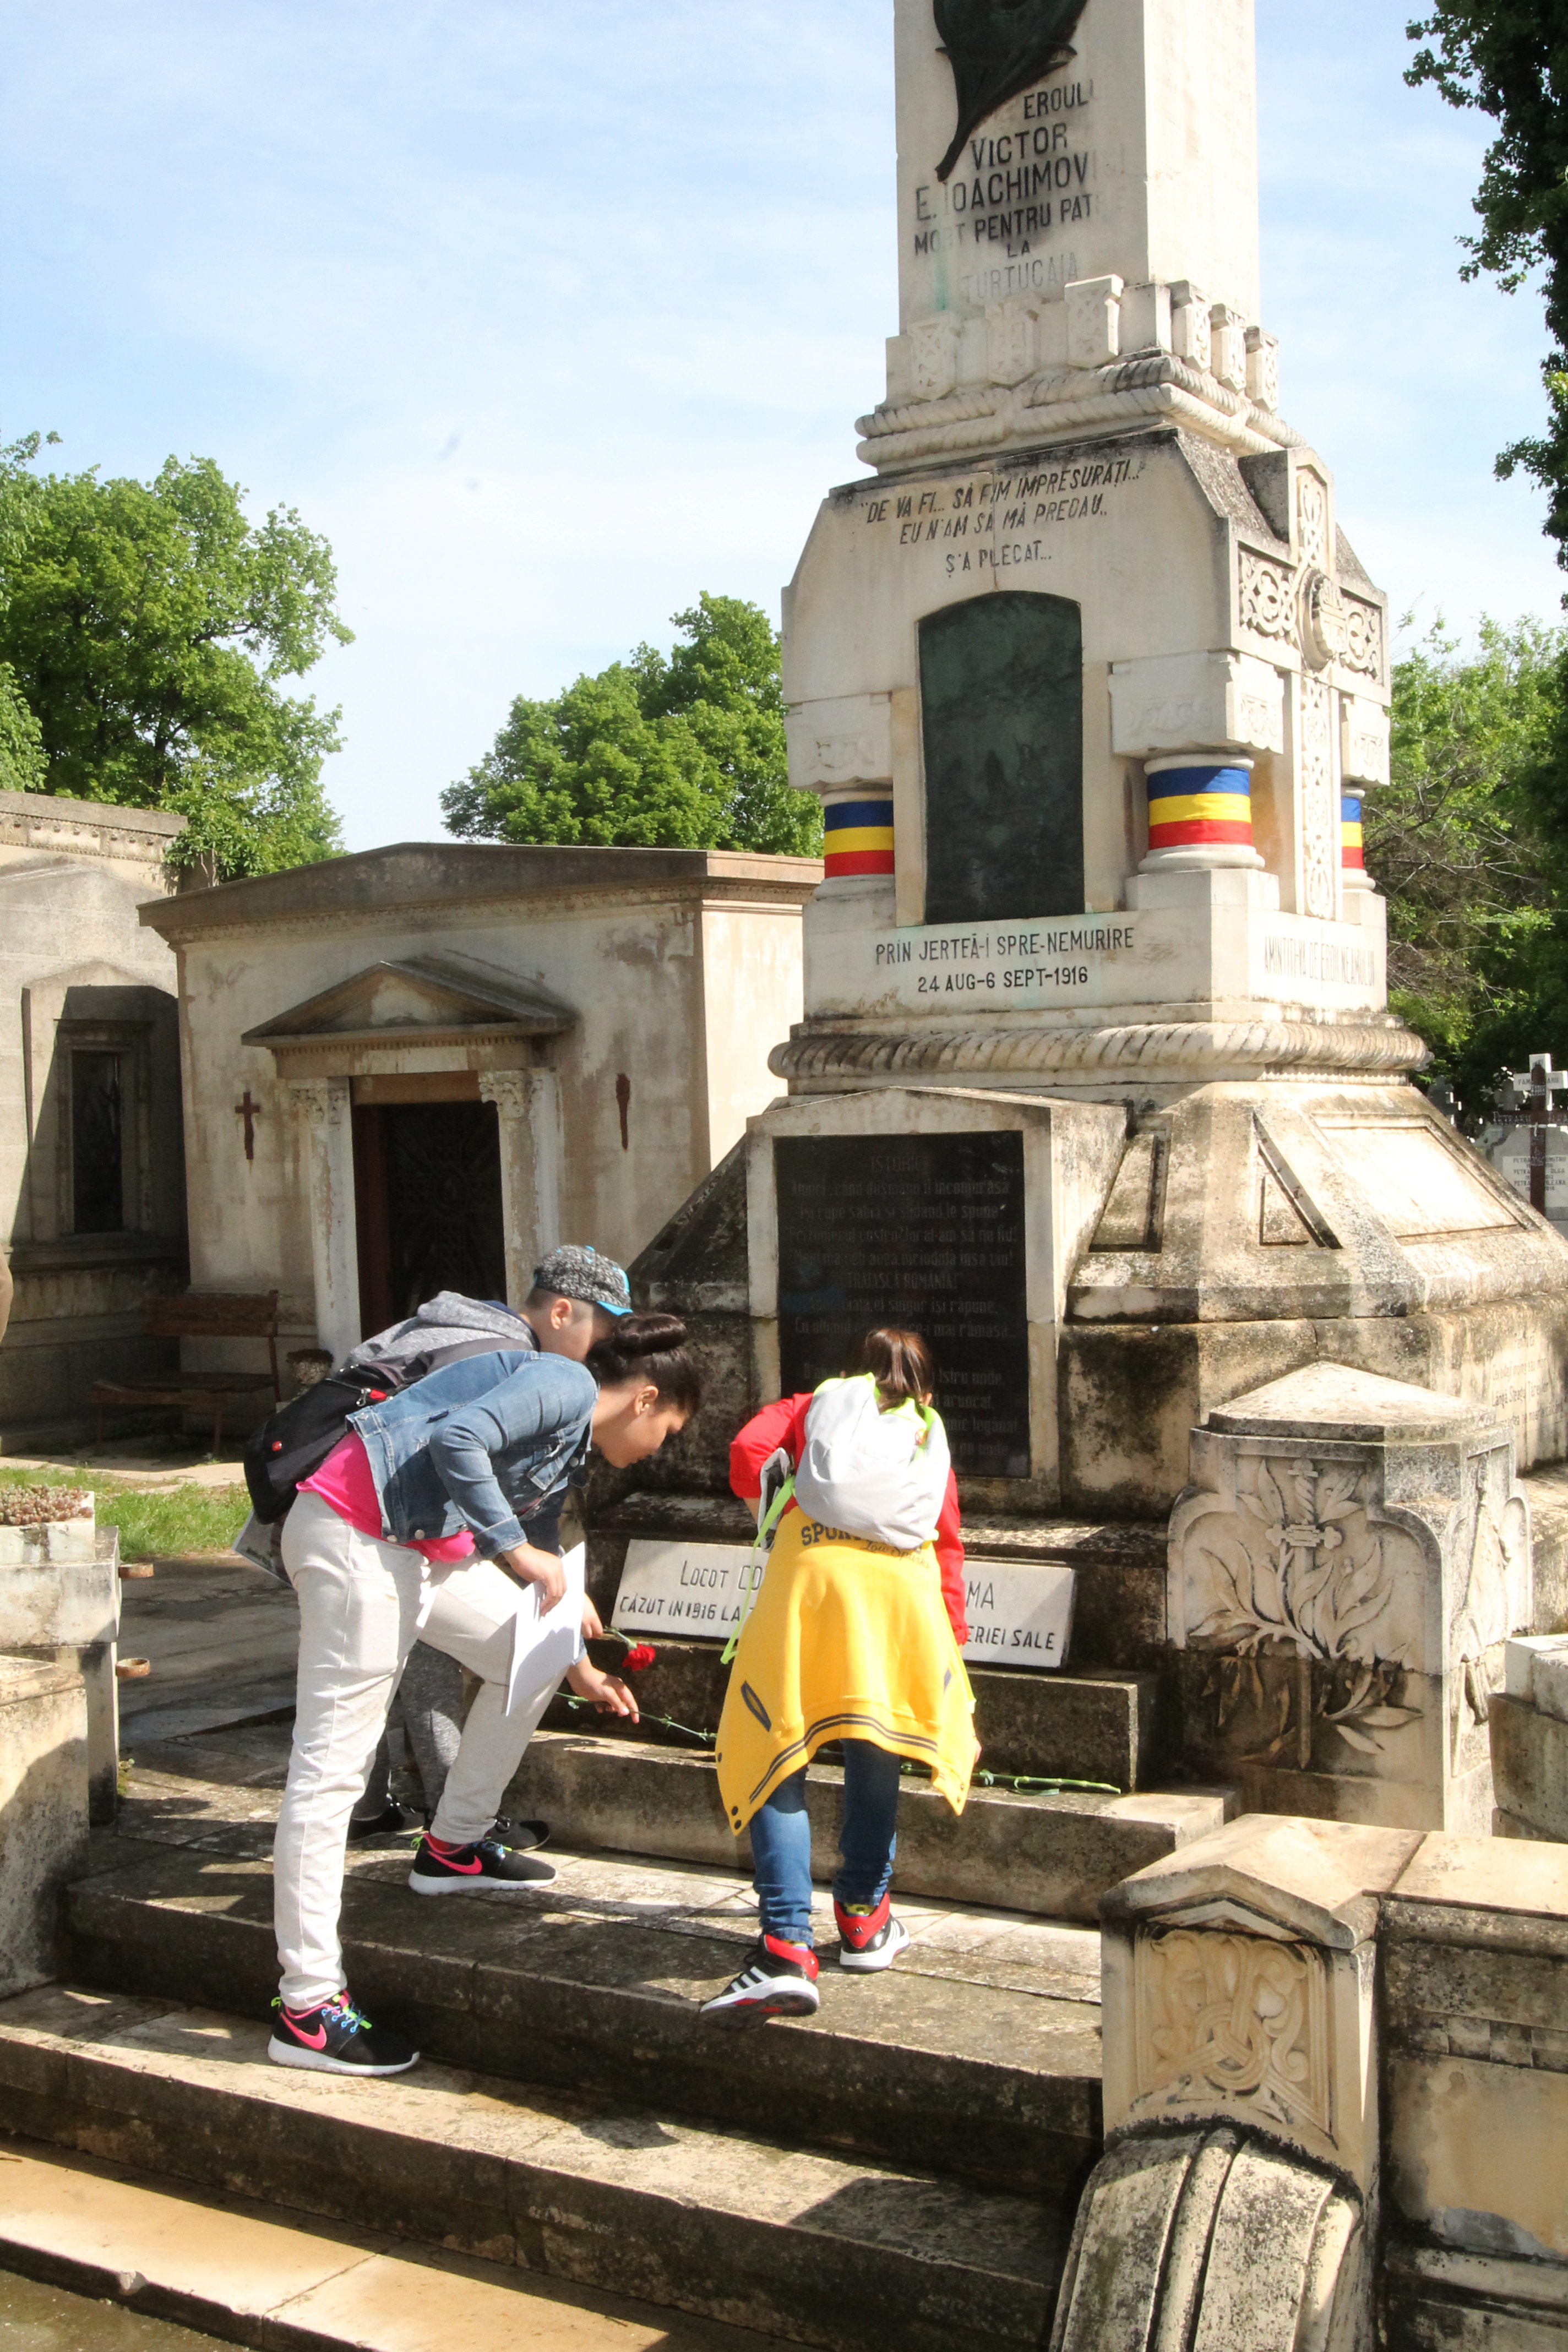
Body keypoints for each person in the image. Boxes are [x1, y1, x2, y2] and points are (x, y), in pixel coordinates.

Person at [267, 1311, 702, 2078]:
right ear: (645, 1398)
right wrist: (518, 1550)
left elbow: (510, 1529)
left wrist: (576, 1664)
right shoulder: (563, 1382)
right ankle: (307, 2007)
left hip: (415, 1546)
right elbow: (458, 1441)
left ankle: (453, 1845)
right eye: (668, 1431)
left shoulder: (570, 1440)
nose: (655, 1451)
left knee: (531, 1655)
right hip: (354, 1533)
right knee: (329, 1771)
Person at [701, 1327, 976, 2026]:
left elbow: (745, 1456)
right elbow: (946, 1541)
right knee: (874, 1747)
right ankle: (863, 1920)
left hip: (808, 1587)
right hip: (900, 1599)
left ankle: (786, 1947)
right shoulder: (924, 1435)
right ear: (927, 1389)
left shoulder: (812, 1405)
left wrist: (774, 1505)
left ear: (848, 1376)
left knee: (777, 1753)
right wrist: (953, 1643)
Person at [340, 1248, 635, 1841]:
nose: (596, 1357)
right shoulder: (516, 1361)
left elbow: (532, 1507)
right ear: (560, 1313)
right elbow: (461, 1446)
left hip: (377, 1527)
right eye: (597, 1337)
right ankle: (449, 1825)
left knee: (375, 1675)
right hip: (367, 1527)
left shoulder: (496, 1341)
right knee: (391, 1679)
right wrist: (515, 1551)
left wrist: (571, 1646)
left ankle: (392, 1817)